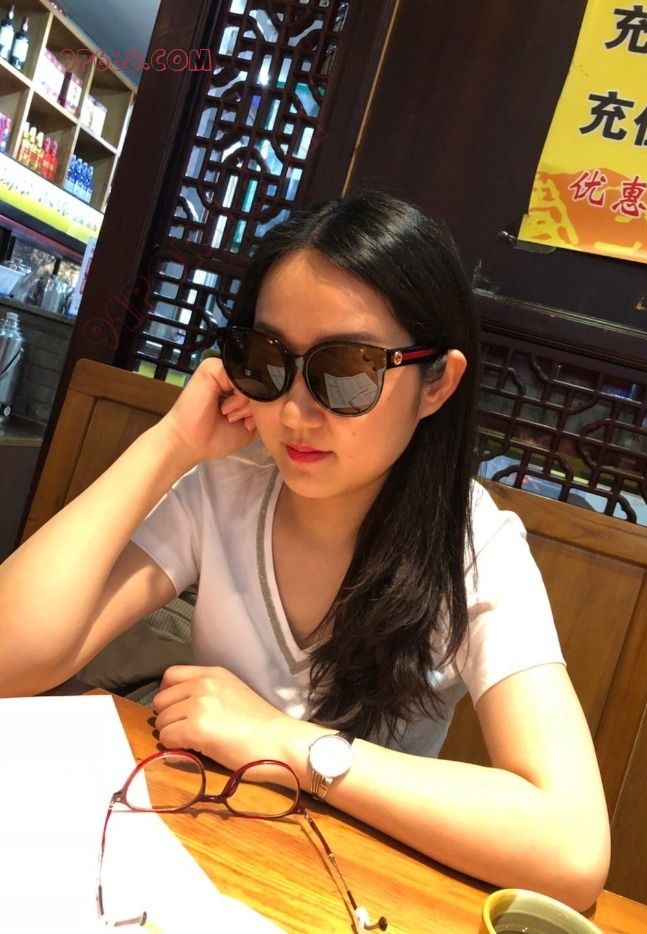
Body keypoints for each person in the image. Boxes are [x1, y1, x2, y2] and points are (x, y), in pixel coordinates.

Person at [0, 193, 610, 913]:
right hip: (193, 852)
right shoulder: (227, 485)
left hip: (346, 893)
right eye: (265, 360)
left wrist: (286, 742)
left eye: (346, 369)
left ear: (437, 383)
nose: (294, 411)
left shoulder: (476, 548)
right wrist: (170, 444)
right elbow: (11, 657)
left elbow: (570, 843)